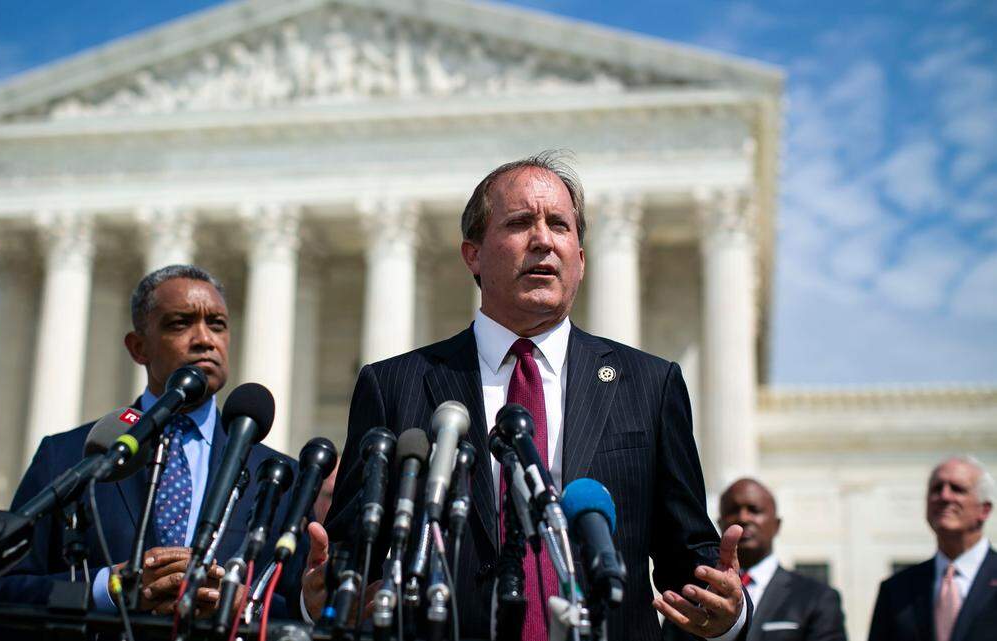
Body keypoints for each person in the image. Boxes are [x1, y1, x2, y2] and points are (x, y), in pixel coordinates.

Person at [324, 152, 748, 640]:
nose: (543, 240)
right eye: (521, 222)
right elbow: (351, 555)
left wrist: (728, 613)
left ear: (582, 261)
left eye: (560, 226)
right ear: (473, 255)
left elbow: (687, 560)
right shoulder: (394, 385)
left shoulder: (649, 386)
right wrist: (326, 597)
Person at [0, 265, 321, 625]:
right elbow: (3, 597)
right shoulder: (68, 456)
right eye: (180, 323)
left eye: (217, 324)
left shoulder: (279, 476)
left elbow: (297, 613)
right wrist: (108, 588)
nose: (204, 338)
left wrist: (246, 605)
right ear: (138, 347)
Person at [669, 478, 845, 640]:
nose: (743, 518)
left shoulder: (817, 597)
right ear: (720, 523)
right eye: (733, 510)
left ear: (776, 525)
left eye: (754, 510)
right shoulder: (693, 596)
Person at [868, 456, 996, 641]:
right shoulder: (896, 590)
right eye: (936, 489)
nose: (944, 496)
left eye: (957, 489)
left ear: (984, 510)